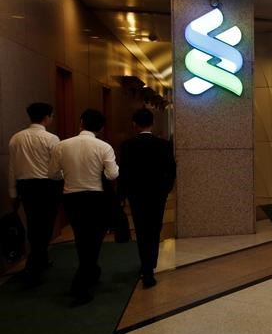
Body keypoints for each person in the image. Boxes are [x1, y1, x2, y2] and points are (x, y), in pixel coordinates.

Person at [49, 109, 118, 304]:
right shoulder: (104, 147)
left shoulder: (62, 146)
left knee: (81, 236)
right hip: (96, 198)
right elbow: (112, 175)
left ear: (81, 123)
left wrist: (71, 176)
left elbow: (53, 174)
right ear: (101, 128)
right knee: (94, 238)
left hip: (71, 198)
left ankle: (91, 271)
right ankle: (82, 282)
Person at [118, 108, 175, 288]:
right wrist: (166, 189)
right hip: (157, 194)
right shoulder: (164, 145)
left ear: (134, 124)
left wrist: (122, 194)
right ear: (153, 123)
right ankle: (150, 264)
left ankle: (146, 267)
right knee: (155, 228)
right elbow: (171, 170)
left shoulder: (127, 146)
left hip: (136, 195)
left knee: (141, 230)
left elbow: (124, 173)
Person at [8, 103, 61, 282]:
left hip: (25, 186)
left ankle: (40, 260)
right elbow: (56, 167)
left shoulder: (16, 138)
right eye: (51, 116)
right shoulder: (52, 139)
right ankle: (34, 265)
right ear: (46, 117)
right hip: (47, 185)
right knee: (46, 224)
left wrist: (13, 191)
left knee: (33, 222)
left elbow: (12, 168)